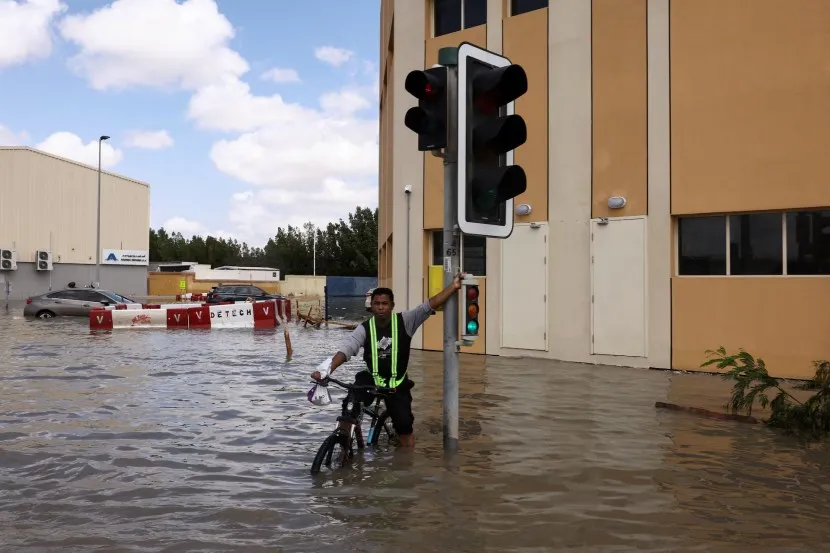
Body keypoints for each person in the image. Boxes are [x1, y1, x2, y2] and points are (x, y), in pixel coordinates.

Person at [311, 273, 463, 448]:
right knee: (350, 409)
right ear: (372, 307)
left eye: (385, 304)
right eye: (377, 304)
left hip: (397, 385)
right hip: (370, 381)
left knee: (405, 427)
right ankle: (343, 446)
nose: (381, 307)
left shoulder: (405, 321)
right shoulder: (364, 328)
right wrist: (327, 370)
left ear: (392, 306)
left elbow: (429, 305)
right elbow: (347, 349)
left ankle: (407, 464)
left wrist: (454, 287)